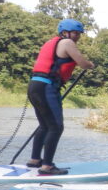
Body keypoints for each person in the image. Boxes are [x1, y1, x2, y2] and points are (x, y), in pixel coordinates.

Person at [27, 19, 96, 175]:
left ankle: (35, 160)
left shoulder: (50, 43)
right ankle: (47, 166)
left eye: (79, 34)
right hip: (47, 88)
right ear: (65, 33)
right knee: (56, 127)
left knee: (45, 126)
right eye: (75, 33)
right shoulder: (67, 43)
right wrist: (90, 64)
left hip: (35, 86)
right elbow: (83, 63)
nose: (77, 36)